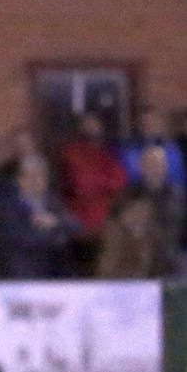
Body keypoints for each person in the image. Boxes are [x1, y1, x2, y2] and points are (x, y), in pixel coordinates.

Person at [0, 154, 80, 279]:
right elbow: (16, 237)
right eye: (30, 176)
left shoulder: (52, 202)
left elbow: (75, 226)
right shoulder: (6, 205)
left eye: (40, 176)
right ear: (20, 179)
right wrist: (56, 237)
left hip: (55, 269)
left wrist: (55, 222)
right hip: (21, 270)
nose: (35, 181)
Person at [57, 112, 126, 276]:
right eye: (87, 124)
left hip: (106, 225)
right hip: (79, 226)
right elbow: (80, 182)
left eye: (94, 124)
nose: (91, 128)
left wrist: (96, 183)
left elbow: (119, 182)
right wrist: (102, 184)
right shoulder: (71, 152)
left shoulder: (112, 152)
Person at [98, 146, 181, 278]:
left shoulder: (176, 195)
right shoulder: (130, 192)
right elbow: (116, 218)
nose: (153, 168)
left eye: (157, 164)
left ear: (165, 167)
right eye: (149, 163)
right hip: (132, 244)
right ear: (141, 167)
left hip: (167, 246)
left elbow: (177, 226)